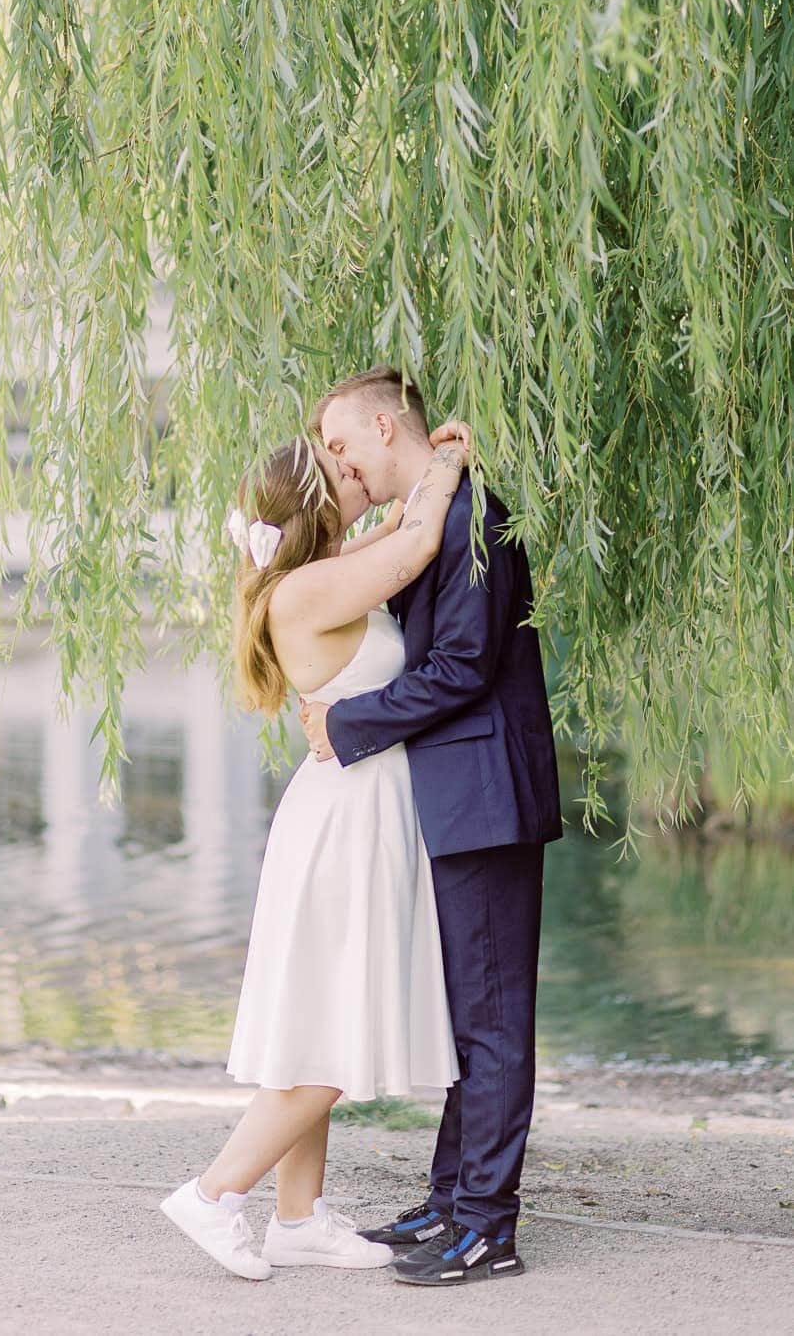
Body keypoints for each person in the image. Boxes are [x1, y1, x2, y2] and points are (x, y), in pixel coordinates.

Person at [160, 417, 471, 1282]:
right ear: (311, 507)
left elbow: (392, 536)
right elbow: (410, 552)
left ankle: (298, 1218)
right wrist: (444, 461)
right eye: (336, 468)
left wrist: (404, 474)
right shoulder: (304, 593)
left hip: (355, 807)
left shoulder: (317, 575)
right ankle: (216, 1193)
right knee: (331, 1036)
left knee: (315, 1020)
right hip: (346, 821)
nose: (349, 467)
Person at [300, 365, 562, 1287]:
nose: (339, 463)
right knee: (466, 1020)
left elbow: (460, 666)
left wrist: (346, 724)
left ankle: (488, 1224)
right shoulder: (432, 511)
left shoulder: (468, 516)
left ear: (383, 425)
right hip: (457, 798)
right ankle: (453, 1198)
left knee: (491, 1024)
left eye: (341, 445)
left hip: (487, 797)